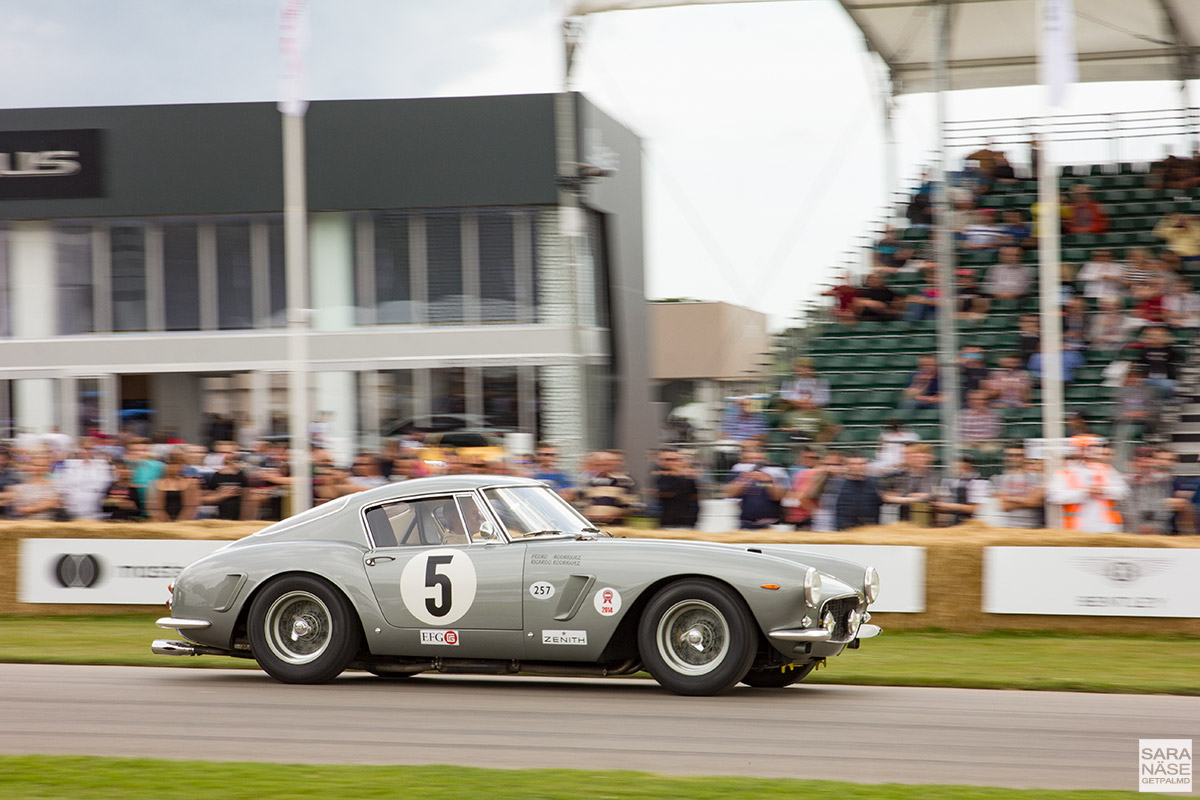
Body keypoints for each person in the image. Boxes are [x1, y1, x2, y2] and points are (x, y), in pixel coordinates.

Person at [1048, 444, 1129, 533]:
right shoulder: (1063, 473)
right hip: (1076, 529)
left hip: (1107, 528)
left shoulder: (1107, 470)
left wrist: (1104, 490)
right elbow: (1055, 497)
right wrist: (1085, 492)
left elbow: (1124, 492)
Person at [724, 444, 788, 530]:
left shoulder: (776, 471)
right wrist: (744, 479)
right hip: (746, 523)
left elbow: (779, 497)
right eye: (750, 460)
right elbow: (730, 493)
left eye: (758, 459)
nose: (755, 463)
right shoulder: (738, 471)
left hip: (772, 524)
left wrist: (769, 481)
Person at [1121, 447, 1175, 535]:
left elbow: (1165, 506)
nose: (1145, 464)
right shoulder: (1125, 481)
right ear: (1133, 463)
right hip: (1131, 531)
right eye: (1140, 461)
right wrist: (1138, 526)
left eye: (1148, 461)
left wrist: (1154, 526)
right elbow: (1125, 507)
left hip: (1157, 532)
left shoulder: (1161, 481)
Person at [882, 443, 939, 526]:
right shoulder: (900, 475)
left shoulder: (933, 476)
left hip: (926, 520)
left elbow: (928, 498)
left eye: (923, 457)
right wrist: (914, 497)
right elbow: (887, 497)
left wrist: (901, 497)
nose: (920, 460)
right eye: (916, 457)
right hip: (904, 520)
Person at [581, 451, 639, 527]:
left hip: (615, 526)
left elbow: (632, 506)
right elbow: (583, 503)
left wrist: (615, 514)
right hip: (593, 525)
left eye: (606, 465)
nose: (603, 468)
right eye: (599, 465)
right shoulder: (591, 482)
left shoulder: (624, 482)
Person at [991, 447, 1045, 528]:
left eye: (1018, 455)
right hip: (1010, 527)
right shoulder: (1003, 478)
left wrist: (1010, 498)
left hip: (1034, 527)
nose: (1014, 458)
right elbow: (1003, 505)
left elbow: (1035, 502)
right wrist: (1028, 501)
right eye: (1011, 455)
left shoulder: (1039, 477)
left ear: (1025, 458)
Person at [933, 455, 989, 526]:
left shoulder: (979, 483)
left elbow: (976, 509)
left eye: (965, 468)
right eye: (957, 468)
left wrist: (952, 506)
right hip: (956, 524)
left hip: (974, 524)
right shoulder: (953, 482)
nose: (961, 471)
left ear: (973, 468)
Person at [651, 448, 699, 529]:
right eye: (667, 460)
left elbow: (694, 499)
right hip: (664, 523)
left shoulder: (688, 479)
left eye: (674, 460)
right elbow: (665, 492)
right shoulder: (658, 478)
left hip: (685, 524)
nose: (670, 463)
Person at [10, 451, 66, 520]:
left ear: (48, 468)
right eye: (35, 465)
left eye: (42, 465)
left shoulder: (54, 485)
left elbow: (52, 503)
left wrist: (29, 509)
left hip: (47, 524)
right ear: (30, 466)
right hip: (26, 524)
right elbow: (19, 509)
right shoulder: (22, 486)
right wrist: (39, 506)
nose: (39, 468)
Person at [833, 454, 883, 531]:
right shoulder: (838, 484)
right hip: (845, 530)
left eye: (861, 464)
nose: (857, 467)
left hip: (869, 529)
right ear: (847, 466)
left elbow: (883, 499)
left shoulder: (874, 483)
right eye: (853, 464)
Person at [149, 451, 200, 522]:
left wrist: (180, 523)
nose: (173, 467)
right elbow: (156, 508)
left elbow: (191, 507)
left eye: (177, 464)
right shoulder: (156, 483)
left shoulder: (190, 483)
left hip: (184, 523)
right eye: (170, 464)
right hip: (162, 522)